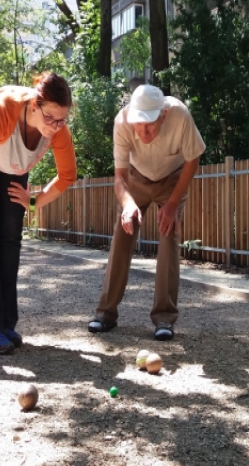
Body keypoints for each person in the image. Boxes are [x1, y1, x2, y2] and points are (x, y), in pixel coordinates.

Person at [0, 72, 77, 354]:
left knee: (11, 234)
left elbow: (67, 175)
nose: (56, 127)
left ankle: (6, 324)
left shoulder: (57, 130)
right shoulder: (5, 112)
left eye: (62, 120)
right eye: (50, 119)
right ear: (35, 105)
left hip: (12, 163)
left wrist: (35, 201)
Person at [88, 84, 206, 341]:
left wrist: (172, 205)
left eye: (149, 125)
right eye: (138, 125)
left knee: (168, 235)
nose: (143, 132)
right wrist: (128, 204)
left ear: (162, 115)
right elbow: (119, 177)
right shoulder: (122, 122)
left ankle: (164, 318)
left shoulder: (179, 114)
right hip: (136, 179)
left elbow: (192, 159)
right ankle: (105, 313)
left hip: (172, 180)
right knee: (123, 232)